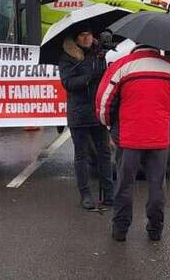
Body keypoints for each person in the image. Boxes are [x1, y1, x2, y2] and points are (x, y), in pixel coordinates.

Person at [95, 45, 170, 242]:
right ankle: (155, 229)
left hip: (129, 138)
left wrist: (109, 126)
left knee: (124, 185)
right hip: (159, 138)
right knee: (157, 186)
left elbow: (104, 102)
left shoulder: (122, 66)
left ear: (135, 48)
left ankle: (120, 229)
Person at [58, 26, 114, 210]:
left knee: (104, 153)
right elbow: (68, 83)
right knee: (81, 155)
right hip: (79, 113)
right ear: (76, 38)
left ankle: (108, 192)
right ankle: (85, 195)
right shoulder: (67, 57)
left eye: (89, 34)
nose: (86, 38)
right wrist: (90, 77)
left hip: (97, 112)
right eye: (82, 35)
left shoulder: (99, 54)